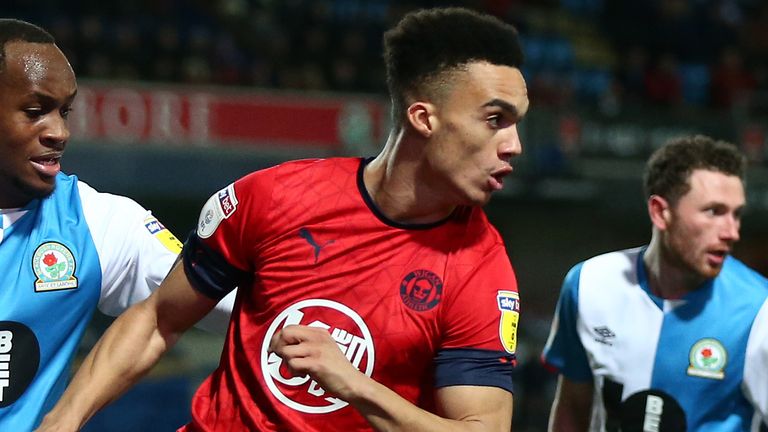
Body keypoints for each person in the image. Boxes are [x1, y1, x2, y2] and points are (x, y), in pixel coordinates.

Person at [38, 7, 528, 432]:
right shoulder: (274, 197)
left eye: (515, 124)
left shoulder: (481, 270)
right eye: (495, 120)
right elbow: (157, 318)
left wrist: (354, 385)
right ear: (424, 118)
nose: (513, 146)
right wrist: (63, 421)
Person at [0, 19, 234, 431]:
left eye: (65, 111)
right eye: (35, 112)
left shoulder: (99, 223)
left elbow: (237, 305)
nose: (59, 132)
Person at [542, 135, 768, 431]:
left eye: (736, 214)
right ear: (661, 212)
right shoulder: (588, 284)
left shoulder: (760, 311)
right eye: (714, 212)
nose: (732, 232)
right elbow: (572, 406)